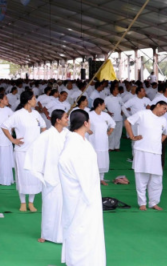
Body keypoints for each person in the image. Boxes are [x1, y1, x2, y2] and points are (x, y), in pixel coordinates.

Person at [58, 109, 106, 265]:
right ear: (86, 123)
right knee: (81, 229)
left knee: (86, 230)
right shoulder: (75, 145)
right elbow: (83, 175)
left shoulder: (81, 142)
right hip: (82, 196)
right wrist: (90, 195)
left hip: (87, 193)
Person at [24, 109, 69, 243]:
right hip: (51, 176)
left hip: (66, 176)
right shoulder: (47, 135)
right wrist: (41, 172)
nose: (68, 119)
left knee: (66, 207)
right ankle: (46, 234)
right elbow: (34, 151)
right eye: (65, 117)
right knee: (50, 206)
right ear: (58, 120)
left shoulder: (68, 135)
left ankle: (64, 235)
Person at [1, 90, 46, 212]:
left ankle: (31, 202)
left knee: (34, 176)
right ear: (28, 100)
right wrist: (13, 139)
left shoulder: (36, 114)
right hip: (22, 151)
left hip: (35, 151)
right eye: (34, 98)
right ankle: (22, 202)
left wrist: (41, 139)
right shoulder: (18, 114)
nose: (36, 101)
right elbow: (4, 126)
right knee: (22, 176)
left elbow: (44, 126)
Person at [125, 101, 167, 211]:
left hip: (156, 152)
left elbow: (165, 133)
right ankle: (142, 203)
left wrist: (159, 142)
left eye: (166, 110)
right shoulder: (143, 114)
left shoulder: (163, 120)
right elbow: (127, 122)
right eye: (164, 108)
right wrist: (132, 136)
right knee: (141, 178)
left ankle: (153, 202)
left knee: (157, 180)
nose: (164, 112)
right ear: (158, 105)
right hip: (142, 150)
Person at [88, 98, 115, 184]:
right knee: (93, 157)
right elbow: (83, 124)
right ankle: (92, 178)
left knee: (103, 158)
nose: (105, 106)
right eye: (104, 104)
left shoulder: (105, 115)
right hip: (93, 140)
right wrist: (88, 130)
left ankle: (101, 178)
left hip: (103, 140)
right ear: (99, 104)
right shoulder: (90, 114)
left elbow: (113, 123)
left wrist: (110, 131)